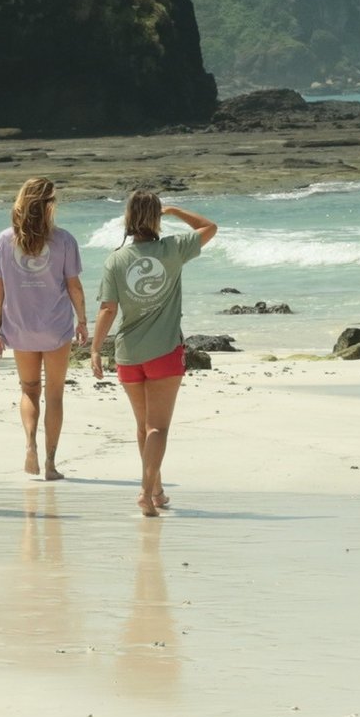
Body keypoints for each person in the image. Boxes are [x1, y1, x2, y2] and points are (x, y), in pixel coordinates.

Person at [90, 191, 218, 517]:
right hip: (164, 353)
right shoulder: (172, 250)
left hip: (128, 356)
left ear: (128, 218)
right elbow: (210, 227)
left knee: (143, 427)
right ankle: (146, 494)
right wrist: (174, 210)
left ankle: (157, 490)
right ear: (156, 218)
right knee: (157, 429)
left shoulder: (115, 260)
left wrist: (94, 348)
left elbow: (107, 309)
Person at [0, 176, 87, 480]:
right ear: (48, 206)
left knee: (29, 390)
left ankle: (30, 444)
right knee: (54, 394)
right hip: (55, 328)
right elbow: (74, 287)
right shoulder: (65, 240)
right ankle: (51, 463)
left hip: (19, 327)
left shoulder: (4, 240)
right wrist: (83, 321)